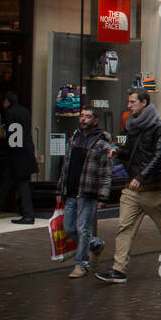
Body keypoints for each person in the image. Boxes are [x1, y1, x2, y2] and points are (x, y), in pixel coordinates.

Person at [96, 90, 161, 283]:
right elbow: (131, 152)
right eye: (129, 102)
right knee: (124, 227)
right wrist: (119, 153)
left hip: (152, 188)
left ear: (144, 103)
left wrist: (142, 177)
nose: (128, 105)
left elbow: (158, 156)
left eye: (132, 102)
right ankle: (118, 270)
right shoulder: (132, 126)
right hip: (132, 189)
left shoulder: (159, 128)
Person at [56, 107, 112, 278]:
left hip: (88, 192)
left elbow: (105, 172)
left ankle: (81, 264)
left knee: (83, 228)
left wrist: (103, 196)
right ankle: (95, 244)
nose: (83, 119)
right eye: (81, 116)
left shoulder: (101, 143)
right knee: (69, 228)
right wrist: (60, 189)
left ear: (95, 121)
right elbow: (65, 167)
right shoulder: (74, 139)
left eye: (88, 117)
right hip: (71, 191)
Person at [0, 90, 37, 224]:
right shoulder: (25, 111)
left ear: (7, 101)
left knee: (19, 182)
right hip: (26, 150)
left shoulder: (10, 113)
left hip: (18, 153)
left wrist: (9, 148)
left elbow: (13, 136)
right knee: (10, 180)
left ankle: (28, 214)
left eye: (4, 102)